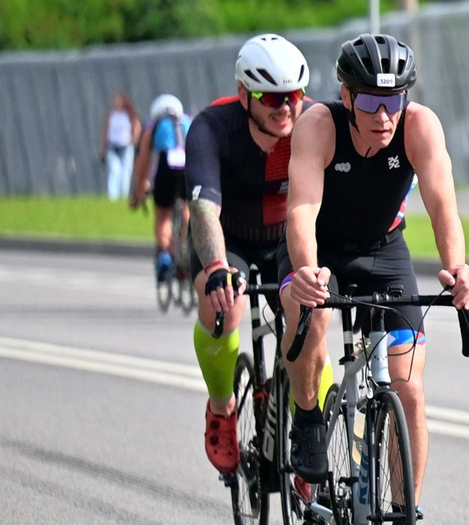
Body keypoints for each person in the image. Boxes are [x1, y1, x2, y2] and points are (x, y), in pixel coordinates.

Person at [284, 31, 469, 525]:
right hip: (320, 249)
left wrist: (458, 269)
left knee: (409, 389)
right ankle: (307, 418)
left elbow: (443, 206)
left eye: (393, 101)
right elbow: (300, 209)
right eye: (370, 101)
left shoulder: (420, 126)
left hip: (383, 251)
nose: (383, 115)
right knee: (311, 315)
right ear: (346, 96)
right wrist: (307, 271)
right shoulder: (318, 126)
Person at [185, 38, 314, 478]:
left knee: (309, 322)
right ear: (244, 95)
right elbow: (204, 211)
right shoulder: (212, 127)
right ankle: (222, 406)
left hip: (284, 239)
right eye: (272, 98)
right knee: (224, 305)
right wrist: (217, 269)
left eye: (293, 95)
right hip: (230, 239)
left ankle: (309, 434)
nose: (286, 108)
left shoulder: (314, 123)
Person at [132, 94, 191, 280]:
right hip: (189, 167)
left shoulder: (154, 126)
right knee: (188, 208)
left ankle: (166, 254)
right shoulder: (188, 122)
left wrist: (139, 189)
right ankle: (188, 242)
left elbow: (144, 162)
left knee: (163, 214)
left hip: (167, 167)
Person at [101, 93, 140, 201]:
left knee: (125, 173)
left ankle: (123, 196)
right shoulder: (112, 115)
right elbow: (106, 132)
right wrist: (103, 149)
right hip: (113, 146)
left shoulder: (129, 115)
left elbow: (136, 128)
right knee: (114, 171)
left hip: (125, 147)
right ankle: (113, 197)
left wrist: (133, 141)